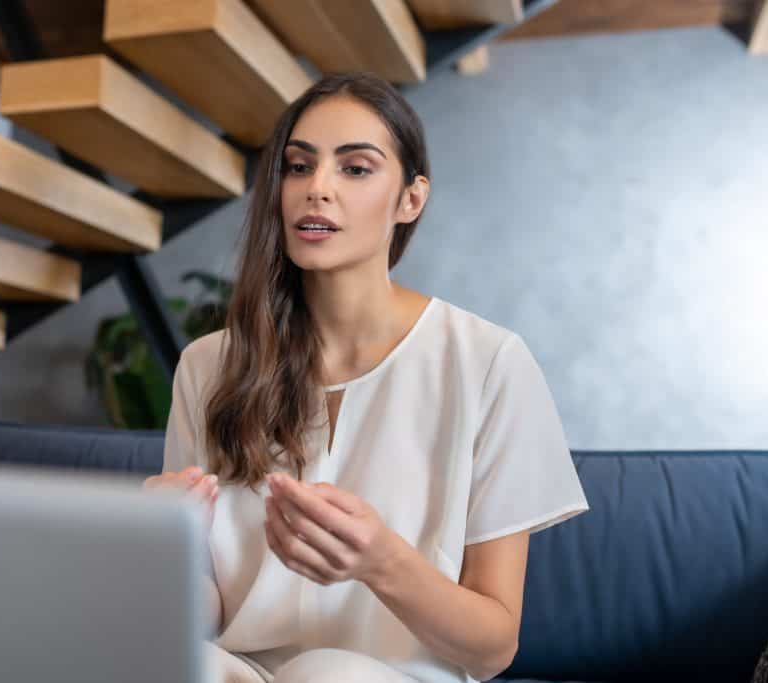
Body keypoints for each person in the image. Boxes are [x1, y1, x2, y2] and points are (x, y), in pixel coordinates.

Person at [143, 71, 589, 683]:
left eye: (355, 169)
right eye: (298, 167)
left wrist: (381, 562)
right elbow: (213, 616)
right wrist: (163, 553)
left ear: (411, 198)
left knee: (327, 674)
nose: (316, 189)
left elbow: (492, 649)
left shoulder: (488, 363)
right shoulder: (208, 366)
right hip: (239, 673)